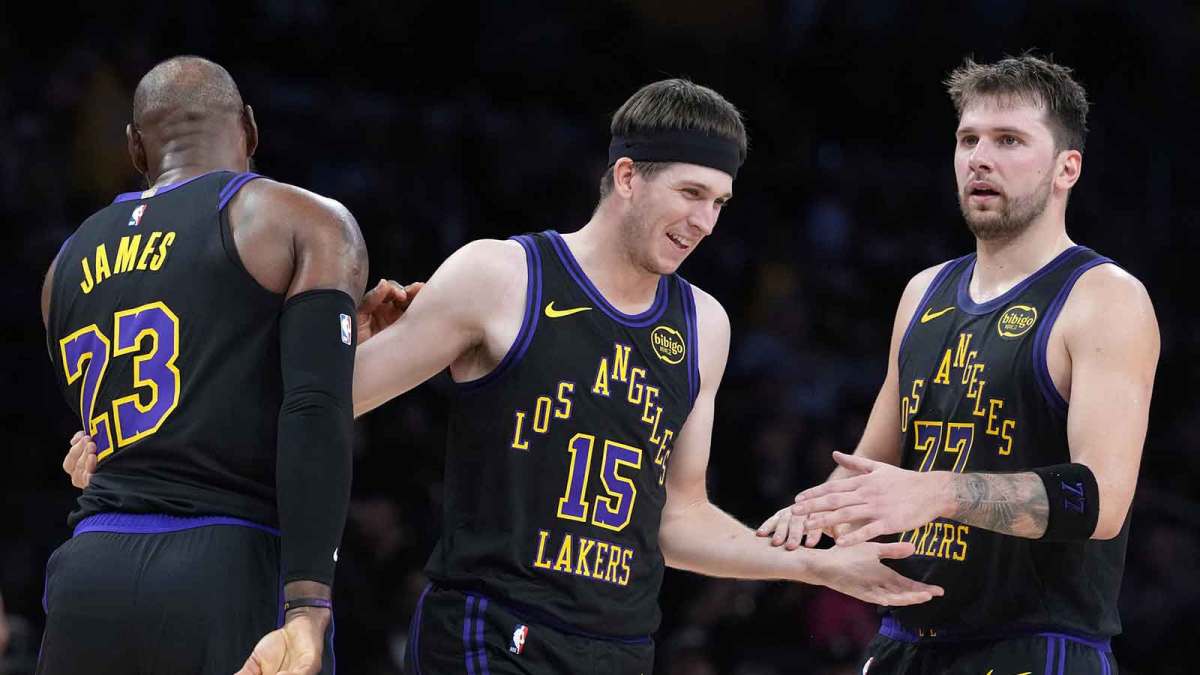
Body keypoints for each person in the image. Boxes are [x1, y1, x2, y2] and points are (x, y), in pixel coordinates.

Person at [63, 77, 943, 673]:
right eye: (689, 194)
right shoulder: (501, 276)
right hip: (490, 629)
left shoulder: (701, 325)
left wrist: (816, 570)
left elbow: (674, 517)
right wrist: (140, 436)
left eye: (719, 202)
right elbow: (327, 398)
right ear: (627, 177)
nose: (706, 221)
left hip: (620, 643)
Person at [761, 55, 1159, 673]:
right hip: (905, 638)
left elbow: (1099, 501)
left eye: (1009, 141)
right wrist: (806, 521)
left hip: (1036, 642)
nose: (980, 157)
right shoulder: (924, 291)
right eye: (968, 139)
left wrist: (938, 493)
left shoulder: (1104, 297)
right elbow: (870, 471)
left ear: (1066, 169)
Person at [40, 55, 377, 675]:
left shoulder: (64, 262)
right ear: (249, 128)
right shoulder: (299, 219)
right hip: (225, 563)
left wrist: (342, 334)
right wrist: (306, 609)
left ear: (136, 149)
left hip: (87, 574)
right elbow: (313, 410)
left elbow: (105, 433)